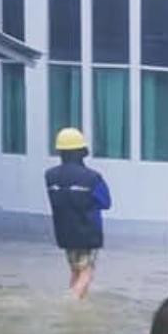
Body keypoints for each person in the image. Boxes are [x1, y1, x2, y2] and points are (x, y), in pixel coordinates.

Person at [45, 128, 112, 299]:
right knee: (87, 272)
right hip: (87, 234)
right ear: (83, 152)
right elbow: (106, 203)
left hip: (64, 233)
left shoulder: (50, 176)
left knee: (76, 270)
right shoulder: (92, 178)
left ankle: (77, 300)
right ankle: (70, 302)